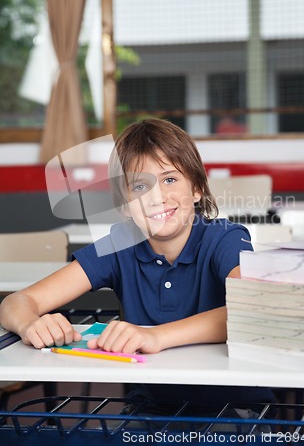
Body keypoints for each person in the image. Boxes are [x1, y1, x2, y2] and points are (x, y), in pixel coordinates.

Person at [0, 118, 275, 419]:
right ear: (124, 205)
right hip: (151, 410)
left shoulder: (225, 238)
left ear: (196, 189)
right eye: (140, 186)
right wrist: (30, 324)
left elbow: (254, 309)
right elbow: (16, 303)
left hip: (236, 407)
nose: (156, 197)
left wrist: (155, 337)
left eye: (170, 179)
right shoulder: (119, 246)